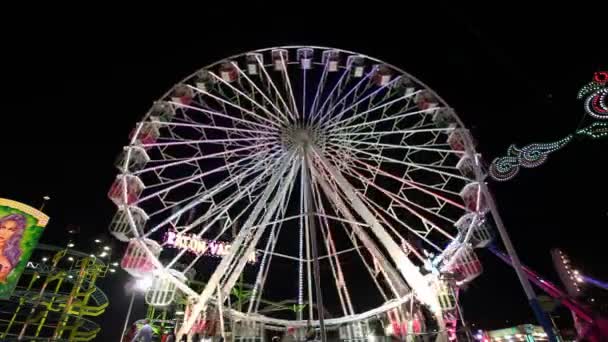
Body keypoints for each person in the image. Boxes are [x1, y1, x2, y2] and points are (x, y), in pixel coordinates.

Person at [0, 214, 27, 283]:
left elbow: (4, 282)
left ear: (16, 234)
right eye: (3, 227)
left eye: (11, 230)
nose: (4, 232)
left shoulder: (10, 259)